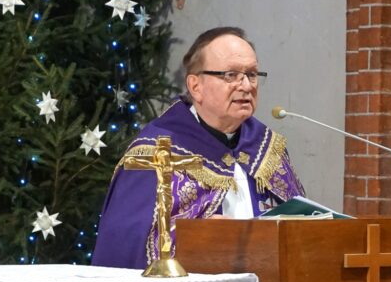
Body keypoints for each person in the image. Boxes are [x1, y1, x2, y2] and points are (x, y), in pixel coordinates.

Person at [92, 27, 305, 269]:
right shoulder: (157, 153)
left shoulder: (266, 147)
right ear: (195, 87)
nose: (246, 85)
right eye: (231, 75)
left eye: (252, 74)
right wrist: (200, 237)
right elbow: (127, 246)